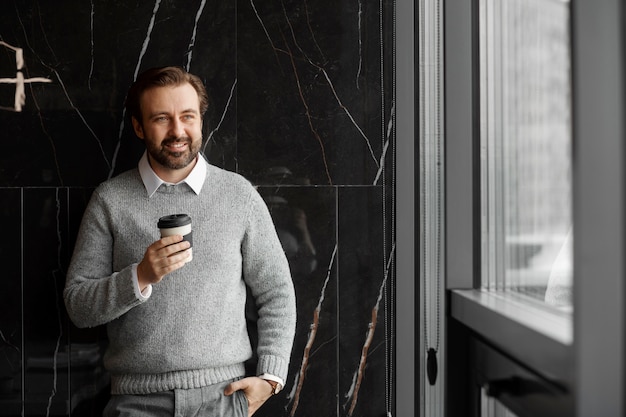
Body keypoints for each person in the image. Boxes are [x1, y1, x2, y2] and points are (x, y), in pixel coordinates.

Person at [63, 66, 297, 417]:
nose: (177, 131)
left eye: (187, 116)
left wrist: (271, 377)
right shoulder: (110, 200)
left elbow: (277, 291)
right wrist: (140, 276)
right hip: (135, 403)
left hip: (223, 398)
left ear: (200, 120)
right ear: (139, 127)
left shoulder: (238, 195)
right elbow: (78, 305)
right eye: (161, 118)